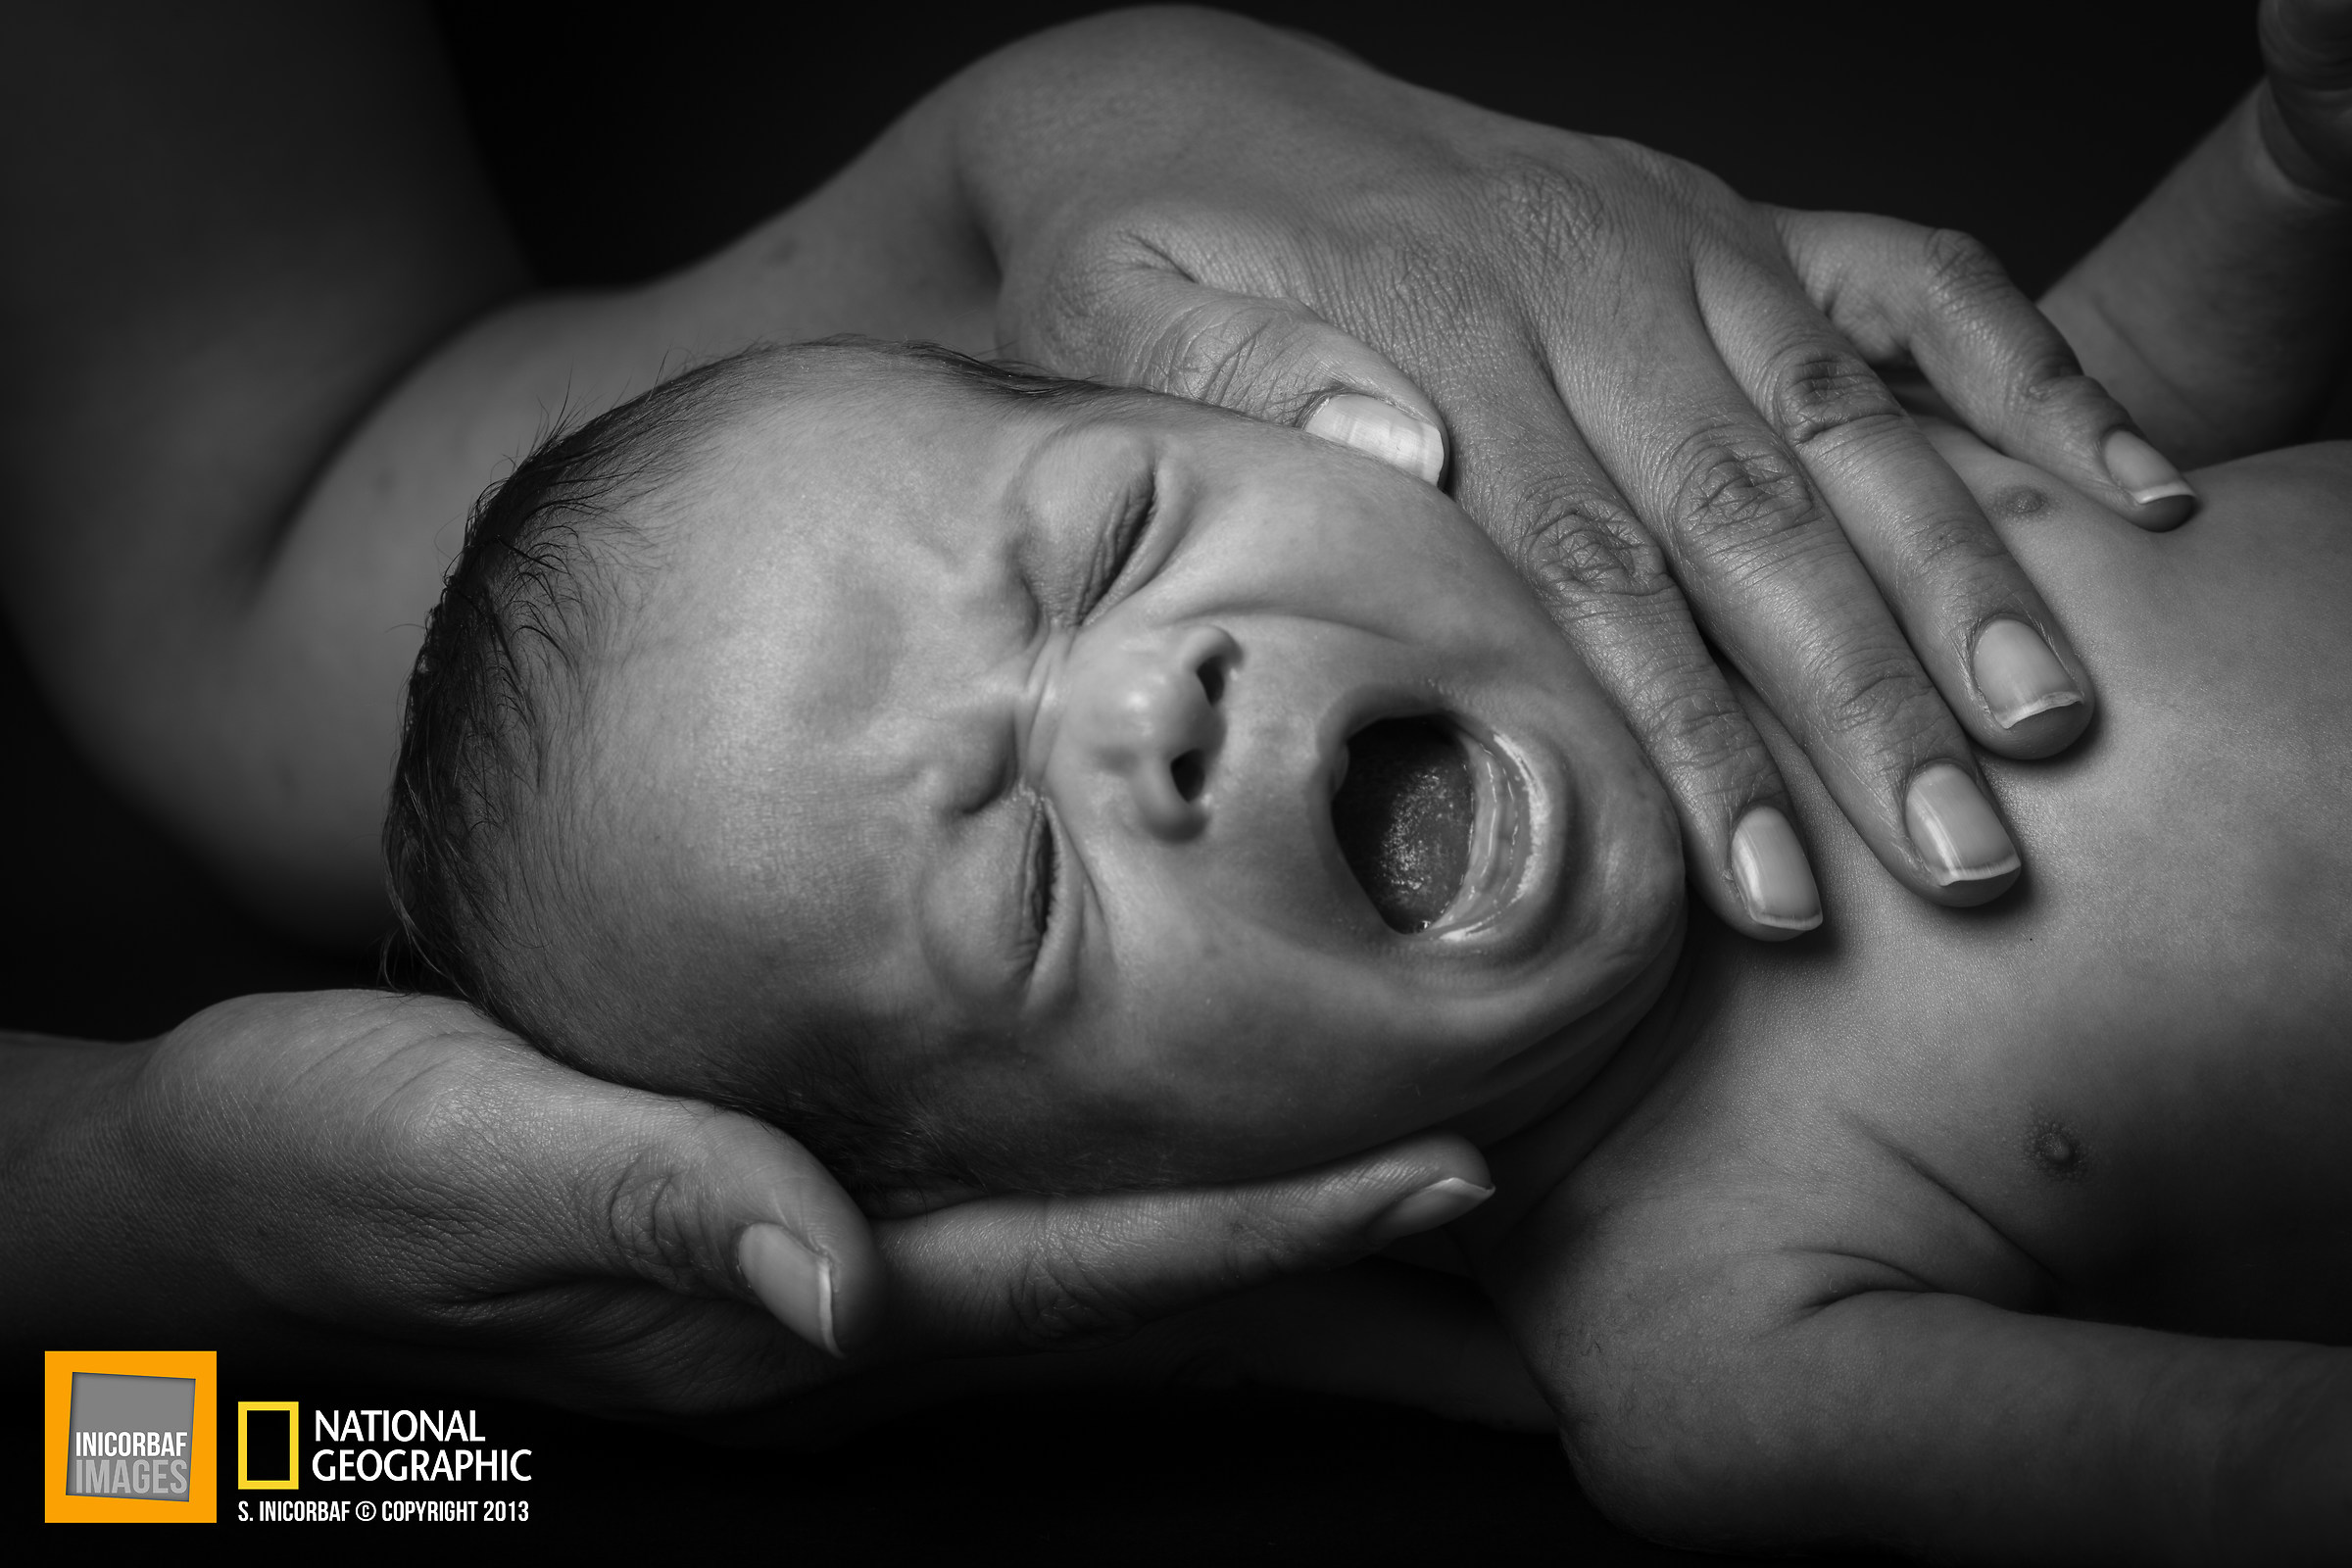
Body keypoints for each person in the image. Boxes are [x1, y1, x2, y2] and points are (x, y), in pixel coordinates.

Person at [380, 1, 2352, 1550]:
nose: (1148, 713)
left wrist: (2289, 167)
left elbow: (2116, 419)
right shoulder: (1712, 1331)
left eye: (1118, 532)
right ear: (1106, 1213)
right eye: (1030, 891)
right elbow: (2249, 1474)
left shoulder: (1731, 547)